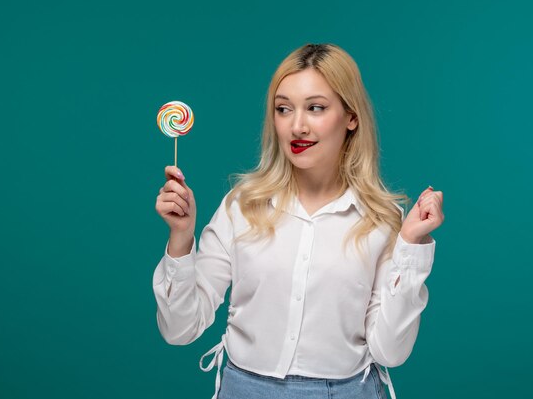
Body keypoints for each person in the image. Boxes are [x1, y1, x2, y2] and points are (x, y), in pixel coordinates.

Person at [152, 43, 444, 399]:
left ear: (351, 117)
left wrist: (410, 248)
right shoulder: (242, 206)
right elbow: (179, 329)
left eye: (316, 108)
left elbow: (390, 352)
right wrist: (181, 238)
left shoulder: (383, 220)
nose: (297, 126)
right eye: (283, 109)